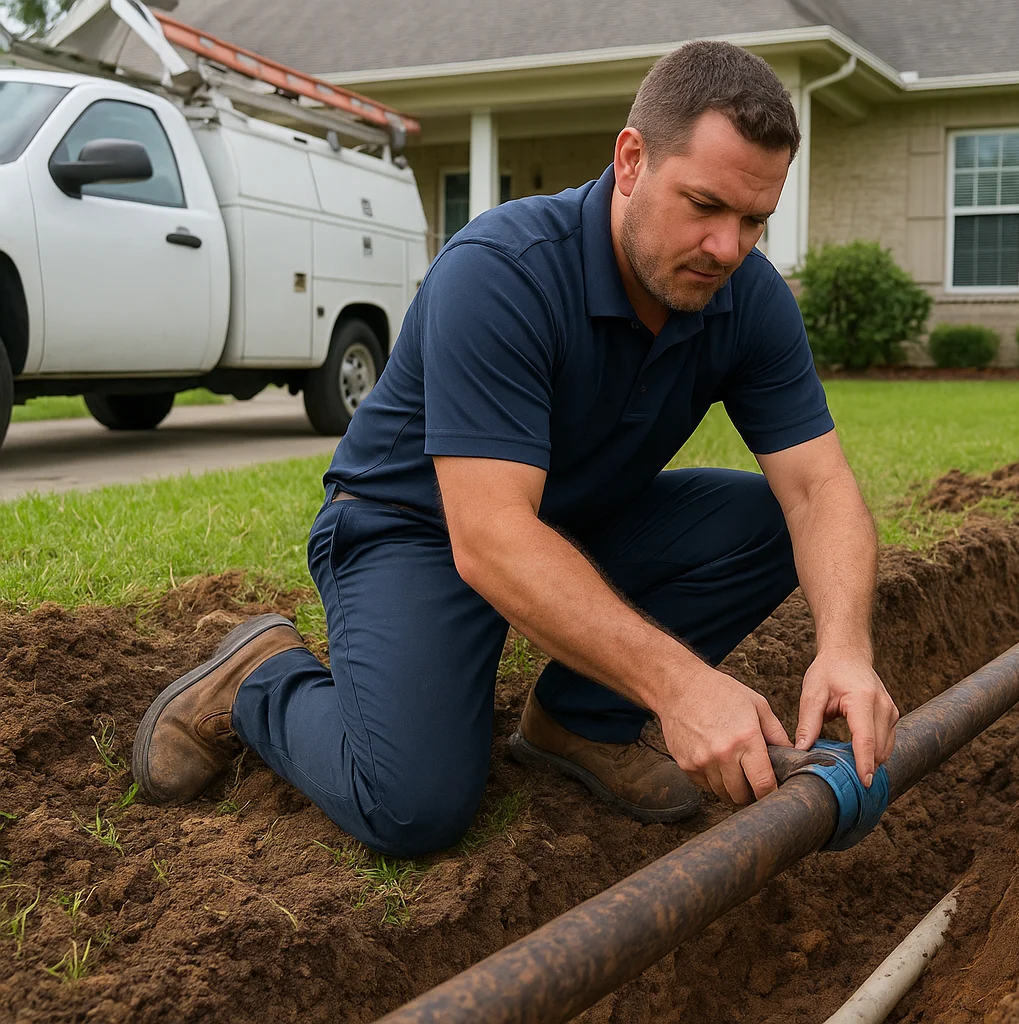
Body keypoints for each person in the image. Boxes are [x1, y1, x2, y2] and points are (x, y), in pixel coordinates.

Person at [130, 41, 899, 858]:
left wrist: (846, 651)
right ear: (631, 161)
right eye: (705, 205)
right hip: (416, 530)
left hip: (572, 520)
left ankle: (581, 721)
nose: (727, 247)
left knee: (776, 520)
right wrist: (681, 687)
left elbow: (819, 490)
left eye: (753, 220)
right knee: (413, 804)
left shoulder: (747, 297)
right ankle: (260, 680)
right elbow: (491, 536)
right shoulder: (504, 272)